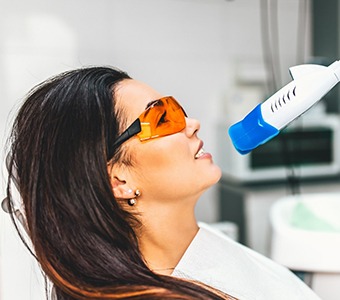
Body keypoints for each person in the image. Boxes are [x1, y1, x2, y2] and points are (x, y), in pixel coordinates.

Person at [3, 66, 321, 300]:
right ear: (118, 179)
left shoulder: (194, 243)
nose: (192, 124)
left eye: (177, 109)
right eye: (162, 117)